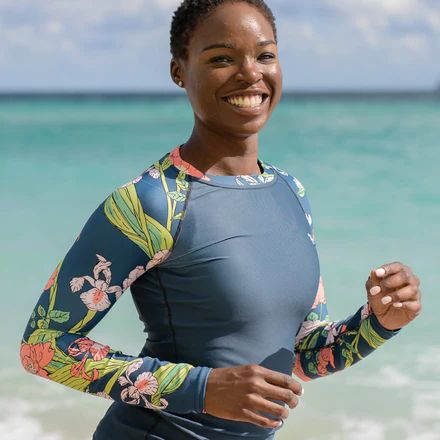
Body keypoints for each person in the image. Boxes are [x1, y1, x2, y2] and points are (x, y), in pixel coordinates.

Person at [19, 1, 423, 439]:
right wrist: (202, 388)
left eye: (265, 54)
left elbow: (301, 355)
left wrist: (379, 321)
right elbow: (43, 347)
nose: (250, 73)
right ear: (179, 71)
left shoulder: (291, 192)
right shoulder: (152, 203)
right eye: (222, 58)